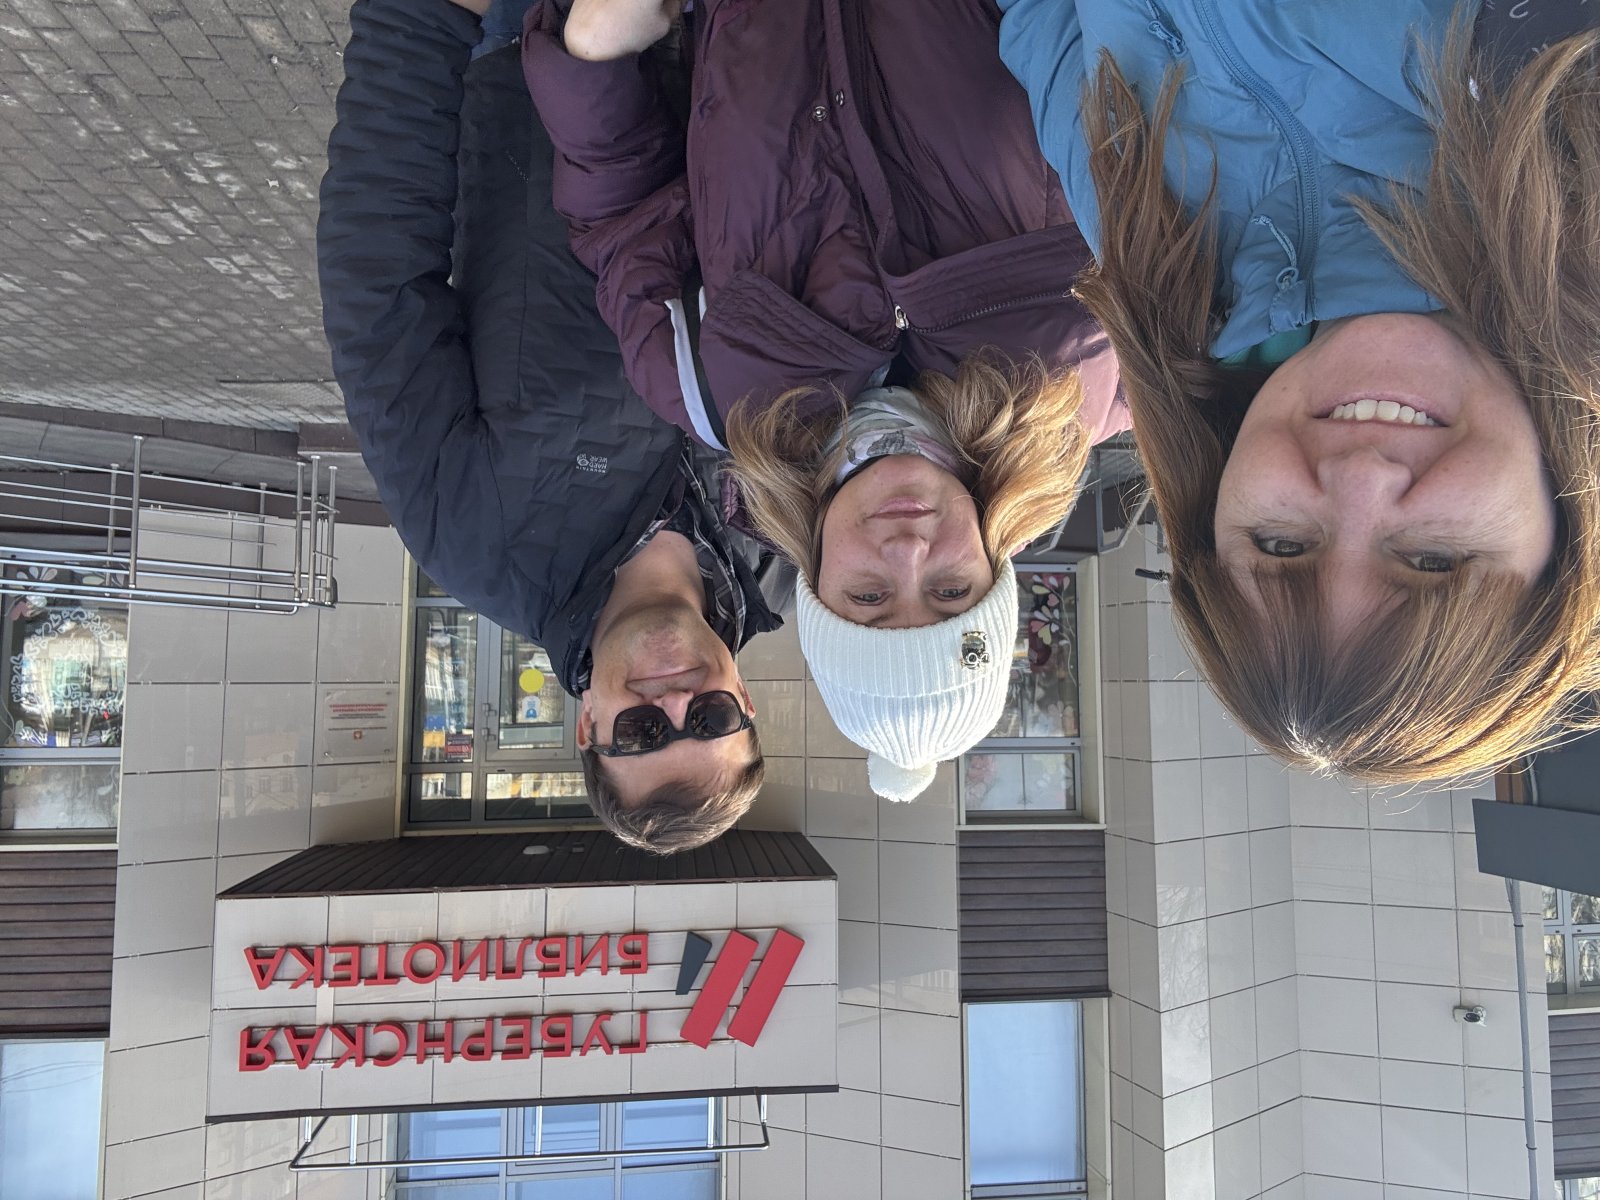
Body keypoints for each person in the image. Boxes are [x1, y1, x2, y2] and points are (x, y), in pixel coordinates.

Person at [522, 0, 1127, 799]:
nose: (907, 553)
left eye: (869, 597)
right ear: (995, 568)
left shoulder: (708, 391)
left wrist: (593, 59)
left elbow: (622, 211)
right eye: (950, 592)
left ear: (813, 580)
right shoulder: (1093, 373)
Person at [997, 0, 1600, 784]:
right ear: (1564, 544)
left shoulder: (1161, 271)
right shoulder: (1567, 145)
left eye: (1281, 545)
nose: (1359, 477)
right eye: (1433, 558)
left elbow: (1039, 22)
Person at [317, 0, 789, 851]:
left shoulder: (474, 542)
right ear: (746, 703)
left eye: (640, 734)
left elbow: (380, 278)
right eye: (710, 720)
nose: (674, 700)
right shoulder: (800, 552)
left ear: (587, 726)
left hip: (539, 46)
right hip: (752, 51)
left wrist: (419, 24)